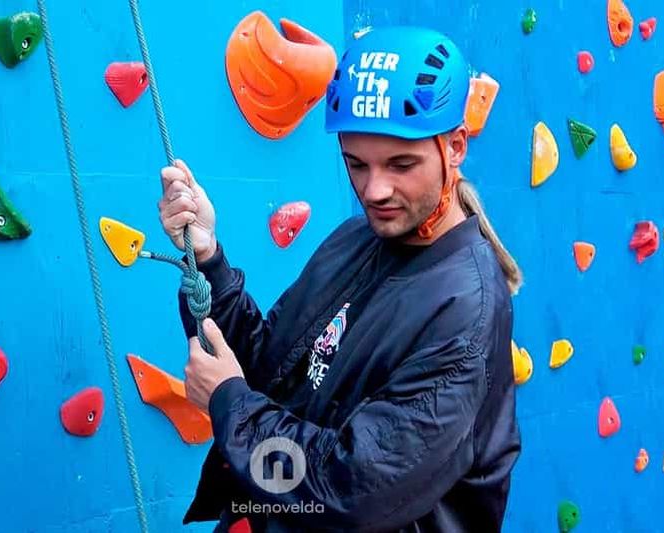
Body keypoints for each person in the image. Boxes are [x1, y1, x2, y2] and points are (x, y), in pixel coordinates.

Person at [156, 25, 522, 533]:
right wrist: (209, 261)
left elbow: (352, 488)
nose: (375, 190)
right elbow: (268, 369)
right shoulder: (357, 237)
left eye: (401, 164)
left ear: (454, 146)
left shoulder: (463, 311)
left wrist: (230, 404)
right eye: (356, 163)